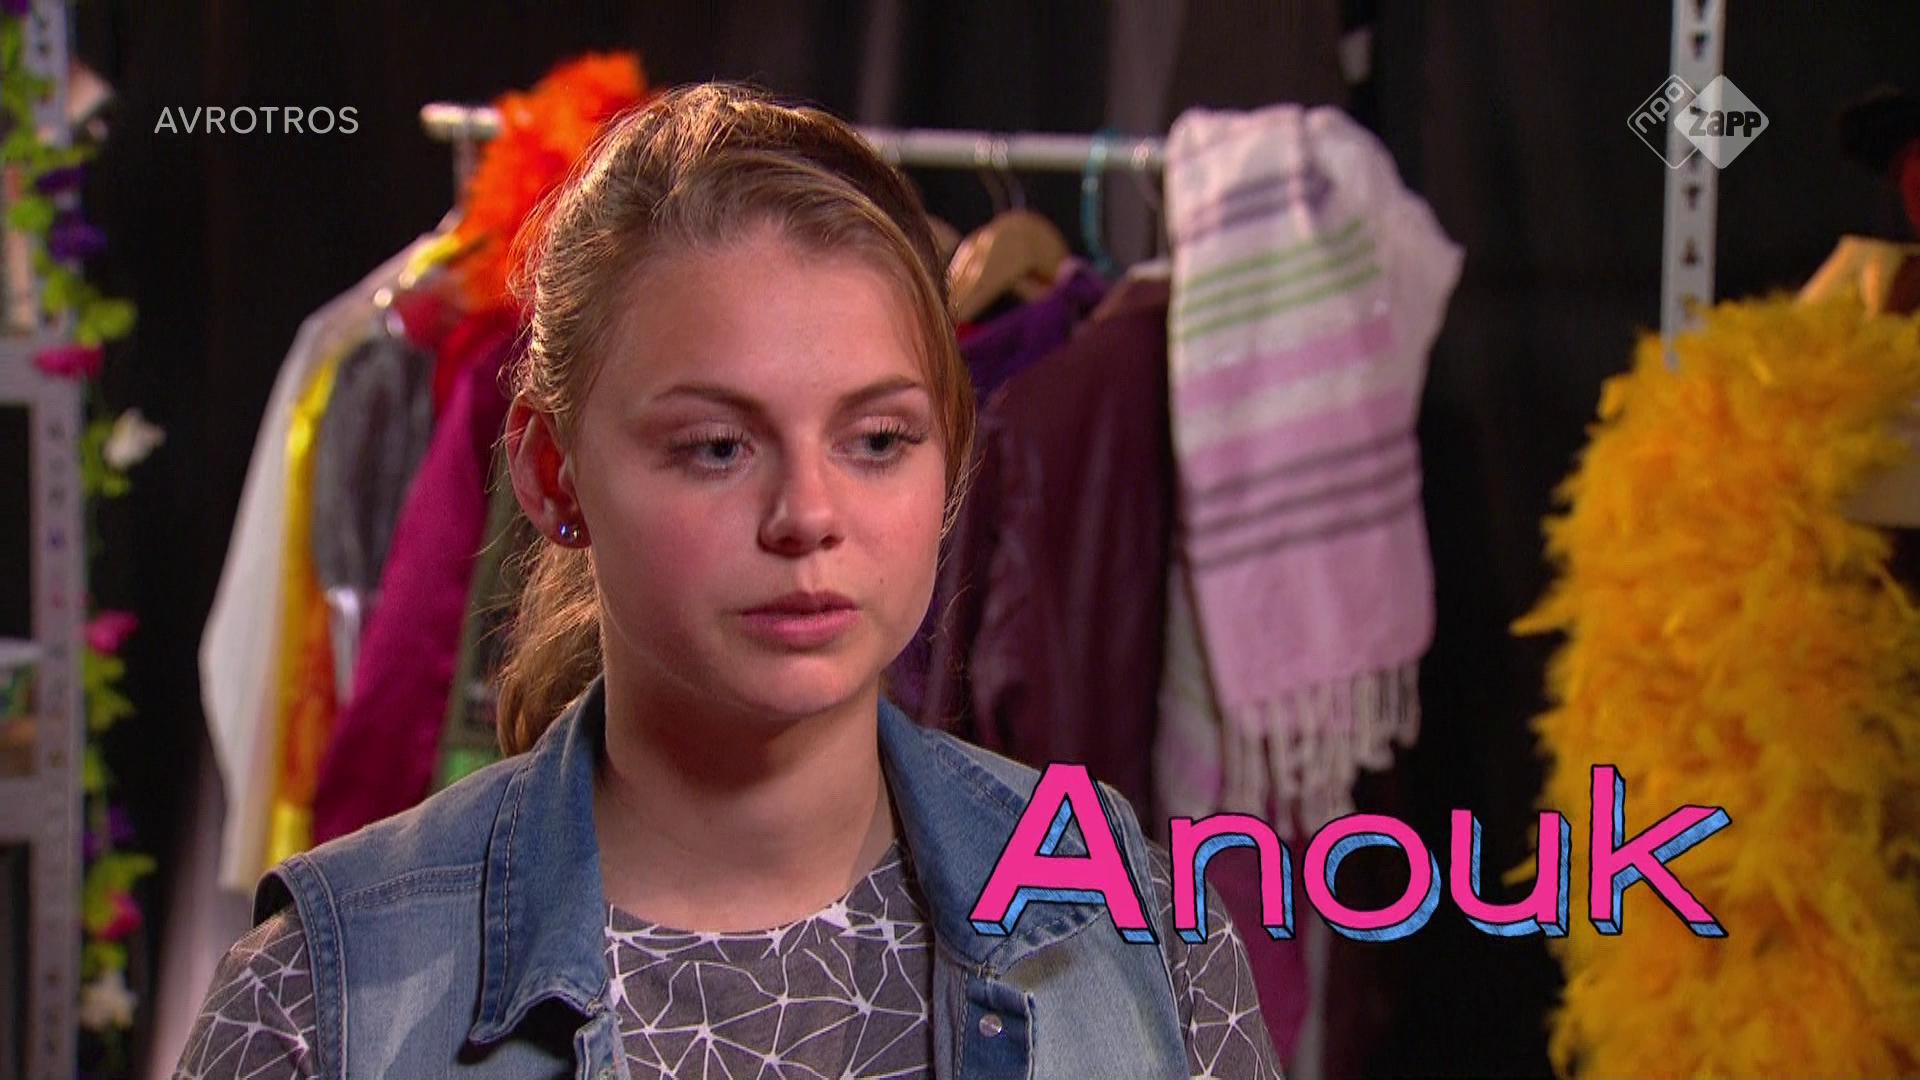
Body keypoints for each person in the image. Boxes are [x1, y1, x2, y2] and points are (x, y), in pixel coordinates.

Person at [174, 82, 1285, 1080]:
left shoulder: (1147, 938)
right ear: (552, 476)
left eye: (878, 440)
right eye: (717, 447)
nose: (808, 515)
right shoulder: (323, 1001)